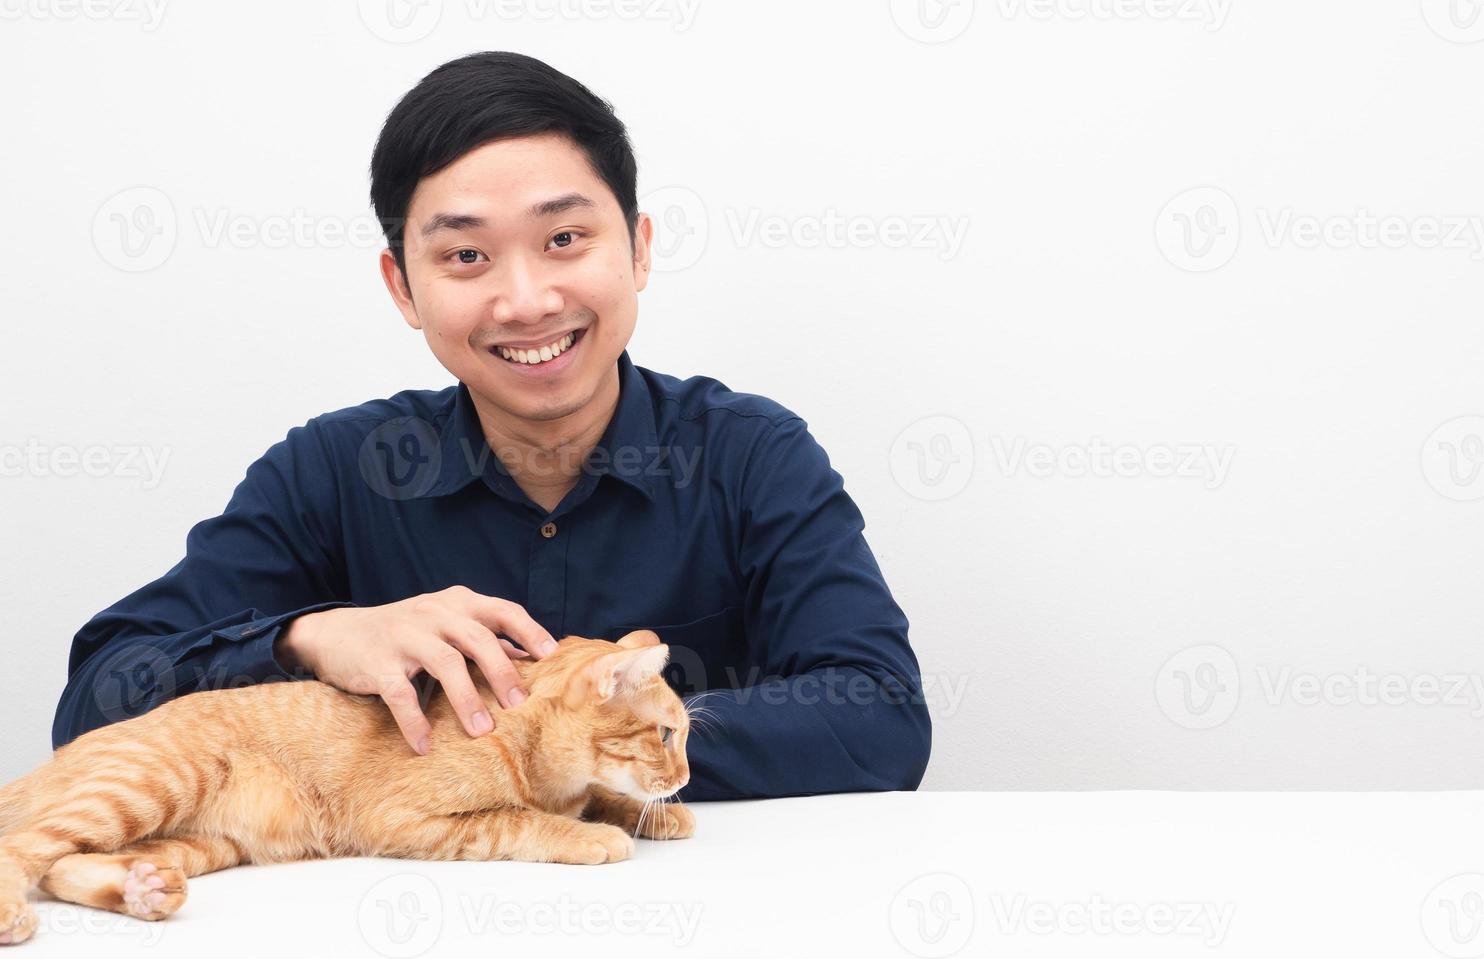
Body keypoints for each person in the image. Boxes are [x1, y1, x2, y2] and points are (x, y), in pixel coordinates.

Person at [50, 51, 930, 802]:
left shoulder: (750, 455)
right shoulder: (333, 470)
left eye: (564, 239)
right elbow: (99, 697)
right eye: (466, 256)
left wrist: (570, 740)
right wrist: (307, 637)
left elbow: (881, 716)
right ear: (403, 287)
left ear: (639, 246)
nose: (525, 301)